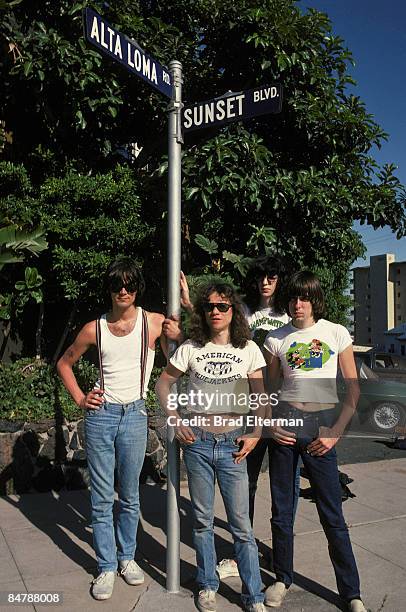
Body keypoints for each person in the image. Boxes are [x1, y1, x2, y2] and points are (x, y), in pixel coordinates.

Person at [57, 257, 180, 601]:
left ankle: (127, 558)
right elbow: (64, 363)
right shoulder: (93, 328)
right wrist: (81, 398)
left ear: (137, 287)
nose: (123, 291)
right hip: (101, 417)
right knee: (100, 498)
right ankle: (106, 566)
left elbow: (180, 361)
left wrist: (180, 330)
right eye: (116, 285)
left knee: (129, 496)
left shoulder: (153, 323)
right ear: (109, 290)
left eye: (129, 285)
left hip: (136, 415)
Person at [176, 259, 300, 581]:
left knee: (284, 490)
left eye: (272, 275)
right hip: (249, 408)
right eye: (260, 276)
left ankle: (281, 561)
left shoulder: (290, 314)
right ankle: (238, 554)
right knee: (247, 486)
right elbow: (215, 324)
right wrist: (190, 303)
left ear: (279, 278)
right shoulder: (244, 311)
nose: (265, 281)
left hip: (283, 409)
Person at [156, 281, 268, 612]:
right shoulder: (191, 347)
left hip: (234, 444)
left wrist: (256, 431)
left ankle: (254, 596)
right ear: (203, 312)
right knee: (202, 521)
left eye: (223, 306)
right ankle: (207, 585)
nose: (216, 312)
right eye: (210, 307)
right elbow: (164, 384)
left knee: (242, 528)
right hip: (199, 444)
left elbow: (261, 396)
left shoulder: (247, 348)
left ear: (234, 311)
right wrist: (175, 420)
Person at [263, 270, 367, 612]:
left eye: (304, 297)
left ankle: (351, 593)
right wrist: (271, 426)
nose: (297, 304)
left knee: (332, 513)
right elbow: (267, 391)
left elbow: (353, 389)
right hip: (288, 425)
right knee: (282, 511)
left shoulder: (335, 333)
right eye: (292, 298)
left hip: (323, 424)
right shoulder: (277, 338)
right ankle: (282, 578)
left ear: (314, 299)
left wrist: (335, 432)